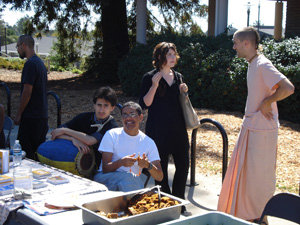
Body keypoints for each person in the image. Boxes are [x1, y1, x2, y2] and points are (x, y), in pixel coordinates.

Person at [217, 27, 295, 223]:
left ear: (247, 43)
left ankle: (261, 220)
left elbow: (288, 88)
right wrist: (266, 101)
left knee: (258, 182)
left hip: (262, 133)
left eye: (236, 43)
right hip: (254, 128)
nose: (234, 47)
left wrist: (267, 102)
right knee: (249, 181)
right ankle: (256, 219)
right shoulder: (254, 64)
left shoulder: (262, 64)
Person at [139, 42, 190, 213]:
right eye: (169, 54)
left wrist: (184, 91)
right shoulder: (150, 77)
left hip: (178, 130)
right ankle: (167, 203)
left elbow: (181, 103)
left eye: (174, 54)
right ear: (160, 57)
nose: (173, 57)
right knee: (160, 171)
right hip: (158, 131)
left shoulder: (178, 76)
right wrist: (154, 86)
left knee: (183, 166)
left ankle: (179, 202)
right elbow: (145, 104)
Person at [94, 101, 163, 192]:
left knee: (130, 179)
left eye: (132, 114)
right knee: (128, 177)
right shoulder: (112, 134)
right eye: (124, 115)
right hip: (105, 180)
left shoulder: (148, 143)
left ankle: (134, 201)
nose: (128, 118)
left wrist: (148, 165)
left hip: (130, 185)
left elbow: (159, 177)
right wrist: (121, 162)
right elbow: (105, 168)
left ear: (140, 117)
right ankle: (136, 202)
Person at [50, 86, 118, 169]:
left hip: (98, 168)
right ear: (94, 105)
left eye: (106, 106)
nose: (101, 110)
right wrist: (72, 139)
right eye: (99, 105)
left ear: (112, 108)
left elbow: (89, 141)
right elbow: (56, 133)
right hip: (73, 162)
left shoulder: (112, 127)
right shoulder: (83, 117)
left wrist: (65, 130)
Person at [14, 35, 48, 160]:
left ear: (24, 45)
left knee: (25, 156)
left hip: (31, 117)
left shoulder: (30, 64)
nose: (17, 49)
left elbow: (27, 91)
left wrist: (19, 113)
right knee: (37, 155)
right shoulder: (40, 63)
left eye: (17, 46)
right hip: (41, 116)